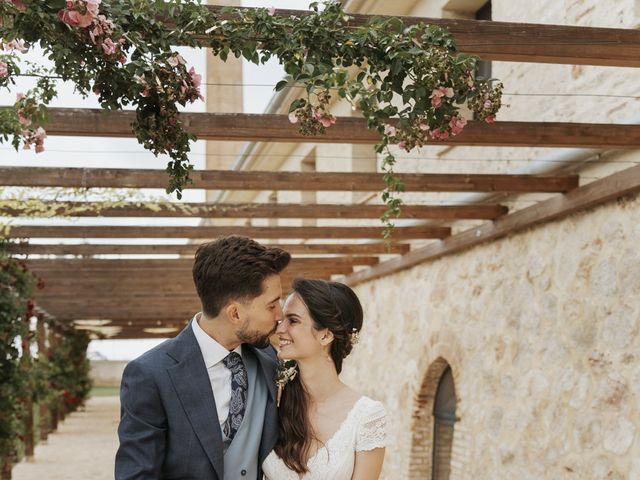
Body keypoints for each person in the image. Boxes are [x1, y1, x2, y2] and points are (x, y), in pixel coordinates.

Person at [115, 235, 291, 480]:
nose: (280, 315)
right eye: (271, 306)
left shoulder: (271, 358)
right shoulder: (150, 374)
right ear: (235, 314)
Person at [263, 278, 387, 479]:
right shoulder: (271, 399)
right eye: (282, 320)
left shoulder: (367, 417)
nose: (279, 330)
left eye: (293, 320)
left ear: (326, 336)